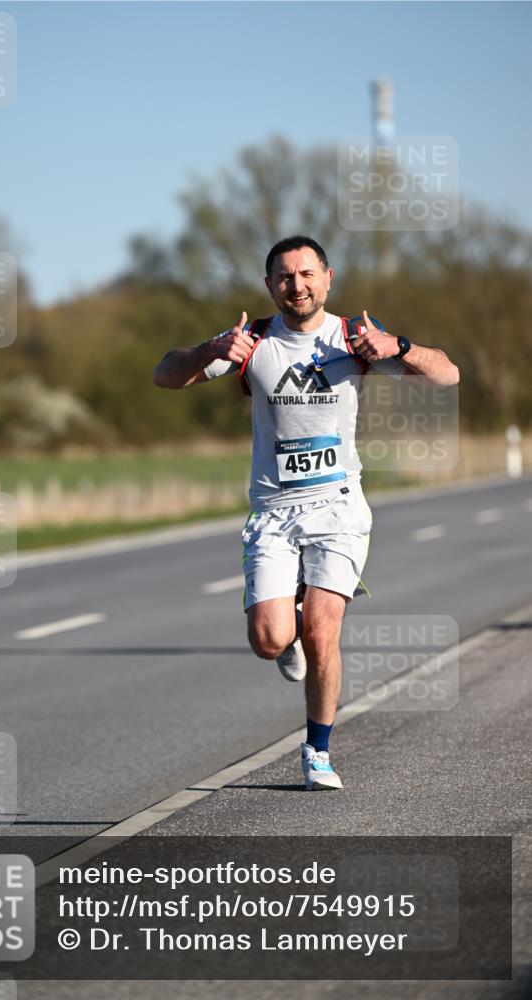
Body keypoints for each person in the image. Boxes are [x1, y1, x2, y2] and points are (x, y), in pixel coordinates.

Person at [152, 235, 459, 790]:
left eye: (307, 273)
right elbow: (165, 373)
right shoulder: (252, 342)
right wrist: (211, 350)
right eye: (285, 277)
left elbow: (447, 375)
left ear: (327, 277)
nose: (298, 285)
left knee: (323, 631)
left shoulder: (355, 338)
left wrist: (399, 345)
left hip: (338, 506)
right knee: (269, 639)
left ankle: (317, 750)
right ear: (270, 285)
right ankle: (285, 631)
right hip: (273, 511)